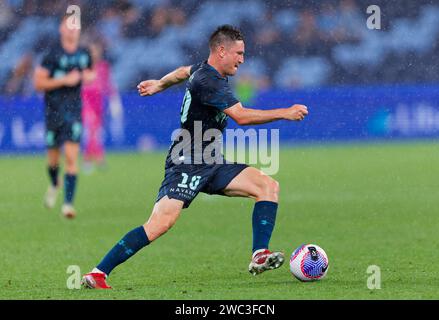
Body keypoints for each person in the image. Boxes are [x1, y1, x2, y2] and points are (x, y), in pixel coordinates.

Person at [81, 25, 308, 289]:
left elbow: (181, 72)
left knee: (267, 186)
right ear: (221, 51)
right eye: (239, 53)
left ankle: (260, 255)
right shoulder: (208, 80)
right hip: (186, 159)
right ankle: (98, 273)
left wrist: (159, 84)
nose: (242, 59)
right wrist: (285, 112)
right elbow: (242, 117)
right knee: (160, 223)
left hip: (211, 158)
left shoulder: (203, 70)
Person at [34, 13, 93, 218]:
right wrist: (64, 80)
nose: (73, 29)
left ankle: (68, 204)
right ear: (61, 29)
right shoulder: (52, 55)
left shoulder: (84, 53)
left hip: (73, 112)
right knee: (52, 162)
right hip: (53, 112)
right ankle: (54, 182)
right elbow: (38, 83)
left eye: (76, 26)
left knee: (70, 157)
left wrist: (87, 76)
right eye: (69, 26)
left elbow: (91, 74)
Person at [81, 40, 118, 173]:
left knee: (95, 132)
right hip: (87, 101)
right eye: (92, 51)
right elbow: (82, 85)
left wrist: (114, 101)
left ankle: (88, 159)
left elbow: (109, 84)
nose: (94, 54)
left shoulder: (103, 66)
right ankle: (97, 159)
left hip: (99, 102)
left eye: (96, 51)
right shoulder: (84, 67)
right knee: (92, 130)